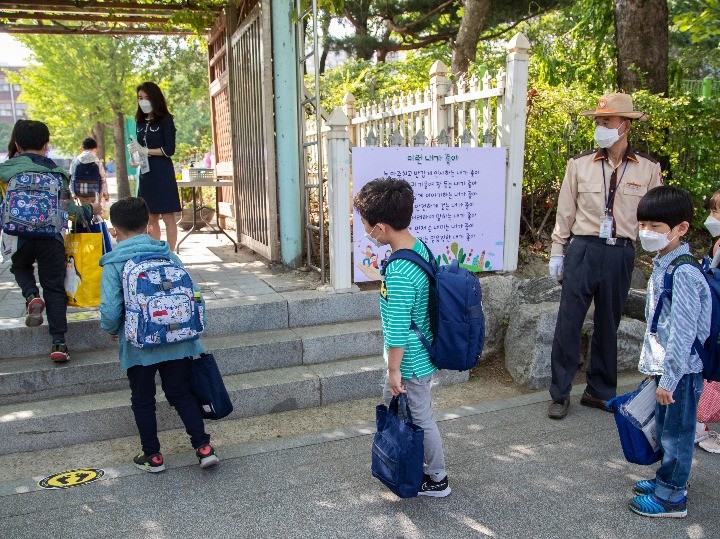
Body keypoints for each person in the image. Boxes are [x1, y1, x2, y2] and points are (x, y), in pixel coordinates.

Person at [547, 93, 663, 420]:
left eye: (607, 121)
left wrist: (659, 252)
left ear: (625, 125)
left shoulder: (649, 169)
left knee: (608, 323)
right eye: (598, 120)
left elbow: (655, 216)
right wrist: (558, 251)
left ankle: (599, 391)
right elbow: (565, 213)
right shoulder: (579, 165)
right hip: (583, 249)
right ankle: (560, 393)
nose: (600, 126)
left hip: (621, 253)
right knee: (569, 322)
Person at [99, 197, 218, 473]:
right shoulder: (168, 255)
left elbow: (109, 309)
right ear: (147, 224)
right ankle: (203, 447)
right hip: (178, 341)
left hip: (138, 345)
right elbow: (193, 294)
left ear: (114, 229)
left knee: (143, 399)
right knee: (181, 393)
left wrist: (112, 329)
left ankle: (152, 456)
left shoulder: (114, 262)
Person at [353, 177, 450, 498]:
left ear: (380, 228)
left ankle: (437, 478)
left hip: (410, 363)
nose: (365, 231)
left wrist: (394, 371)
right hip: (417, 356)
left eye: (366, 226)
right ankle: (406, 458)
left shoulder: (399, 271)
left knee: (421, 419)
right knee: (406, 412)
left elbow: (397, 329)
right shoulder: (417, 248)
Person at [628, 186, 708, 518]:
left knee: (677, 433)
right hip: (668, 367)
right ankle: (666, 480)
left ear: (681, 229)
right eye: (643, 225)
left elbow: (684, 335)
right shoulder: (664, 262)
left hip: (682, 370)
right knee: (665, 427)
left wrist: (669, 380)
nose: (647, 233)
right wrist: (654, 368)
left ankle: (672, 496)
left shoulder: (684, 272)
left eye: (656, 228)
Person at [0, 120, 101, 362]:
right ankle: (59, 343)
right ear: (47, 145)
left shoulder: (6, 172)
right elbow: (70, 211)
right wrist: (92, 209)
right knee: (54, 288)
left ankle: (30, 295)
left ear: (17, 145)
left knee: (20, 266)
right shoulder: (57, 174)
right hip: (51, 239)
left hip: (18, 238)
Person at [129, 82, 181, 252]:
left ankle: (172, 253)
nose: (143, 101)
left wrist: (147, 150)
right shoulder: (140, 122)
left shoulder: (165, 120)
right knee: (151, 216)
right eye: (140, 98)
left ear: (155, 99)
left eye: (146, 98)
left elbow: (169, 149)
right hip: (145, 172)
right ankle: (155, 252)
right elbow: (138, 148)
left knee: (167, 215)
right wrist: (135, 155)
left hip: (162, 171)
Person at [69, 137, 109, 206]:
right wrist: (105, 193)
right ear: (95, 149)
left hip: (80, 192)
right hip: (95, 193)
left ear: (82, 148)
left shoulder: (76, 161)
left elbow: (71, 177)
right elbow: (103, 178)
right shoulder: (97, 161)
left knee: (83, 212)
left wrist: (73, 193)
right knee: (95, 212)